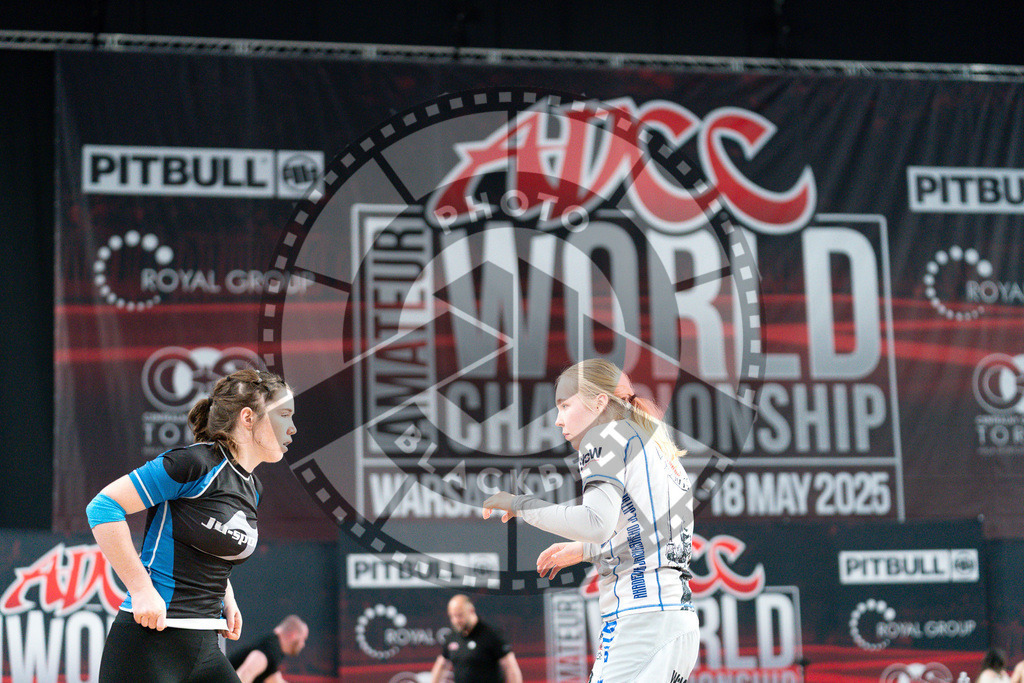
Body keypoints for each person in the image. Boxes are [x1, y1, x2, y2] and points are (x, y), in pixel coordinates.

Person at [482, 358, 699, 683]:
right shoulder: (658, 446)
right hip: (677, 622)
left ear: (599, 403)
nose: (557, 419)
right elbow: (653, 536)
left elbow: (595, 522)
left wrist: (520, 503)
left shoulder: (604, 436)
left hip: (640, 620)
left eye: (565, 405)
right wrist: (585, 551)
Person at [87, 368, 296, 683]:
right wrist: (141, 590)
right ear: (248, 418)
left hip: (206, 648)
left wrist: (228, 598)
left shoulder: (253, 488)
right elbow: (103, 507)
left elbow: (209, 543)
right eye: (284, 415)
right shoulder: (195, 464)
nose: (292, 428)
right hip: (149, 645)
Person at [429, 594, 522, 683]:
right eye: (452, 616)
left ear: (471, 611)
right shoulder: (452, 637)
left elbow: (510, 667)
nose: (456, 620)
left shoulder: (492, 635)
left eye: (460, 615)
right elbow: (442, 665)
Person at [230, 614, 309, 683]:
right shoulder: (270, 650)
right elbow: (245, 675)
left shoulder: (273, 651)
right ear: (293, 635)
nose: (303, 644)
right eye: (303, 639)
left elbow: (275, 679)